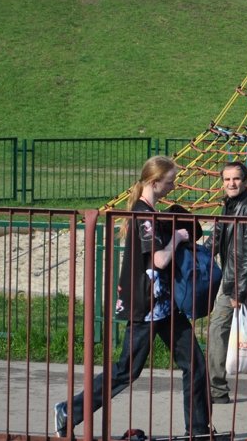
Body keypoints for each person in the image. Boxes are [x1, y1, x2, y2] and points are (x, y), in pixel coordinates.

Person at [53, 156, 214, 439]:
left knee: (195, 364)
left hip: (166, 307)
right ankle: (70, 410)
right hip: (146, 307)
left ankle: (198, 430)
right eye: (170, 181)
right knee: (126, 371)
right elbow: (159, 260)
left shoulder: (152, 211)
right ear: (154, 182)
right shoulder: (143, 215)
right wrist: (176, 238)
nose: (173, 185)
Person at [206, 161, 247, 405]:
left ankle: (216, 390)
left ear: (246, 181)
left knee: (218, 330)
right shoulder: (230, 204)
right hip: (236, 277)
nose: (231, 183)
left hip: (239, 280)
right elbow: (220, 236)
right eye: (226, 180)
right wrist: (200, 253)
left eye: (236, 179)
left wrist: (238, 291)